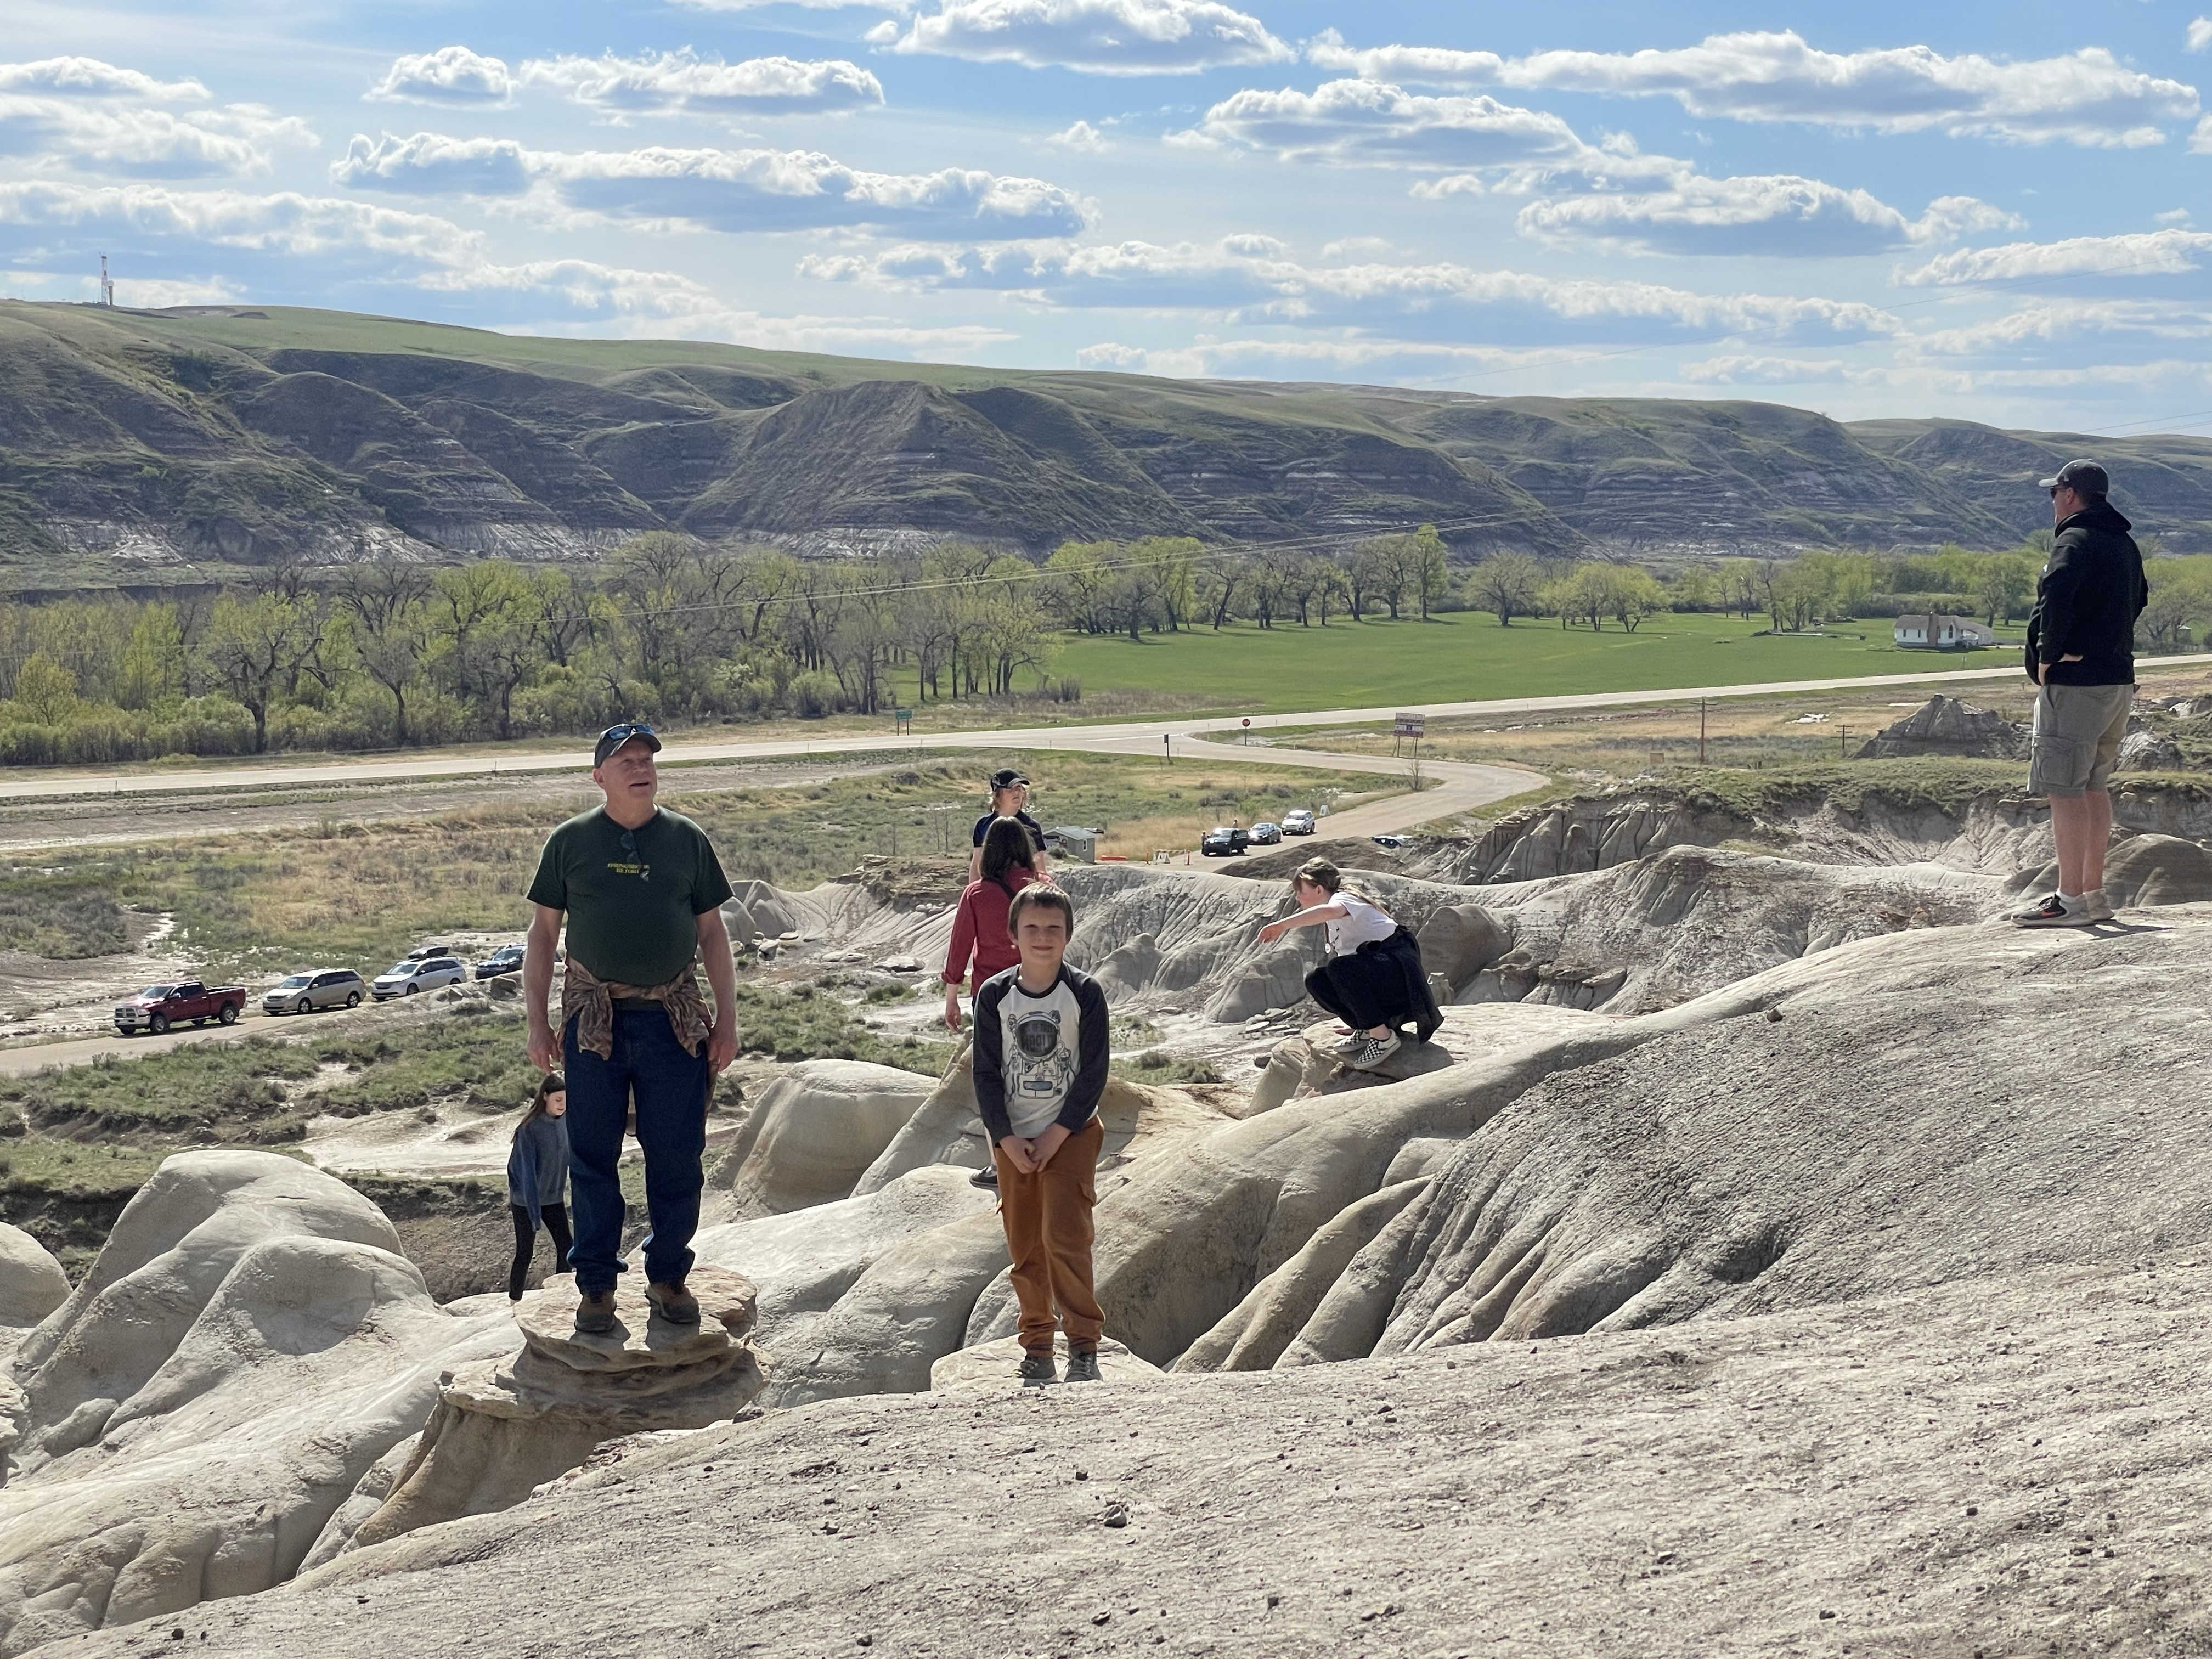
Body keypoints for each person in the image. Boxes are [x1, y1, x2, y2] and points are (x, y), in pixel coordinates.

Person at [524, 721, 740, 1334]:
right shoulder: (570, 842)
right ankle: (596, 1284)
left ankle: (668, 1274)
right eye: (626, 761)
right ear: (600, 777)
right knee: (593, 1156)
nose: (641, 768)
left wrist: (727, 1018)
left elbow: (713, 934)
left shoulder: (687, 840)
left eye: (647, 759)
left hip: (673, 1022)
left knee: (677, 1155)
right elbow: (543, 936)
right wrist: (537, 1023)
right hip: (594, 1023)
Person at [973, 885, 1109, 1386]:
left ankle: (1084, 1347)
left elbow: (1094, 1071)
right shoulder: (995, 995)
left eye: (1054, 928)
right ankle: (1037, 1347)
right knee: (1026, 1246)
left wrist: (1059, 1132)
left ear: (1069, 934)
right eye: (1031, 928)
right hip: (1014, 1140)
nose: (1043, 937)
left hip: (1070, 1134)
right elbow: (985, 1072)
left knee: (1066, 1238)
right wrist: (1004, 1139)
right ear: (1013, 935)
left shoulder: (1084, 993)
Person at [2012, 460, 2149, 928]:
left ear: (2070, 494)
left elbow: (2057, 593)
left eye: (2054, 492)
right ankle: (2092, 894)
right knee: (2093, 786)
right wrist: (2104, 645)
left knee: (2064, 791)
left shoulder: (2074, 540)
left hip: (2077, 688)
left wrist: (2049, 655)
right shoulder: (2123, 543)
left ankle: (2069, 900)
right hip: (2117, 681)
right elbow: (2138, 599)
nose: (2052, 500)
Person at [1257, 857, 1441, 1069]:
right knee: (1317, 980)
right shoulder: (1334, 914)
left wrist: (1282, 925)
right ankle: (1367, 1029)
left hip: (1401, 977)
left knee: (1340, 969)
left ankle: (1383, 1038)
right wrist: (1360, 1018)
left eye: (1300, 891)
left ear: (1319, 890)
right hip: (1383, 976)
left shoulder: (1344, 898)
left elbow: (1330, 912)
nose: (1297, 897)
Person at [941, 816, 1045, 1191]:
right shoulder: (1042, 888)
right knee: (1038, 1072)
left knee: (993, 1079)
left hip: (990, 998)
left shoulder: (976, 894)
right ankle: (1042, 1155)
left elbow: (960, 947)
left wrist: (951, 999)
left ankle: (1000, 1165)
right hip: (1038, 992)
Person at [505, 1073, 571, 1301]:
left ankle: (559, 1296)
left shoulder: (566, 1121)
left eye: (566, 1100)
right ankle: (514, 1300)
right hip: (526, 1199)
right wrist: (534, 1215)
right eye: (558, 1100)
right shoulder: (529, 1129)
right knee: (525, 1252)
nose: (563, 1105)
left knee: (567, 1247)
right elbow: (527, 1175)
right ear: (545, 1097)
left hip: (553, 1198)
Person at [968, 768, 1050, 883]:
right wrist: (974, 890)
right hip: (992, 887)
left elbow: (1040, 869)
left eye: (1018, 788)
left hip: (1022, 888)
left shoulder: (1032, 826)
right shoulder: (983, 825)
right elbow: (977, 864)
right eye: (1010, 789)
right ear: (996, 795)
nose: (1016, 793)